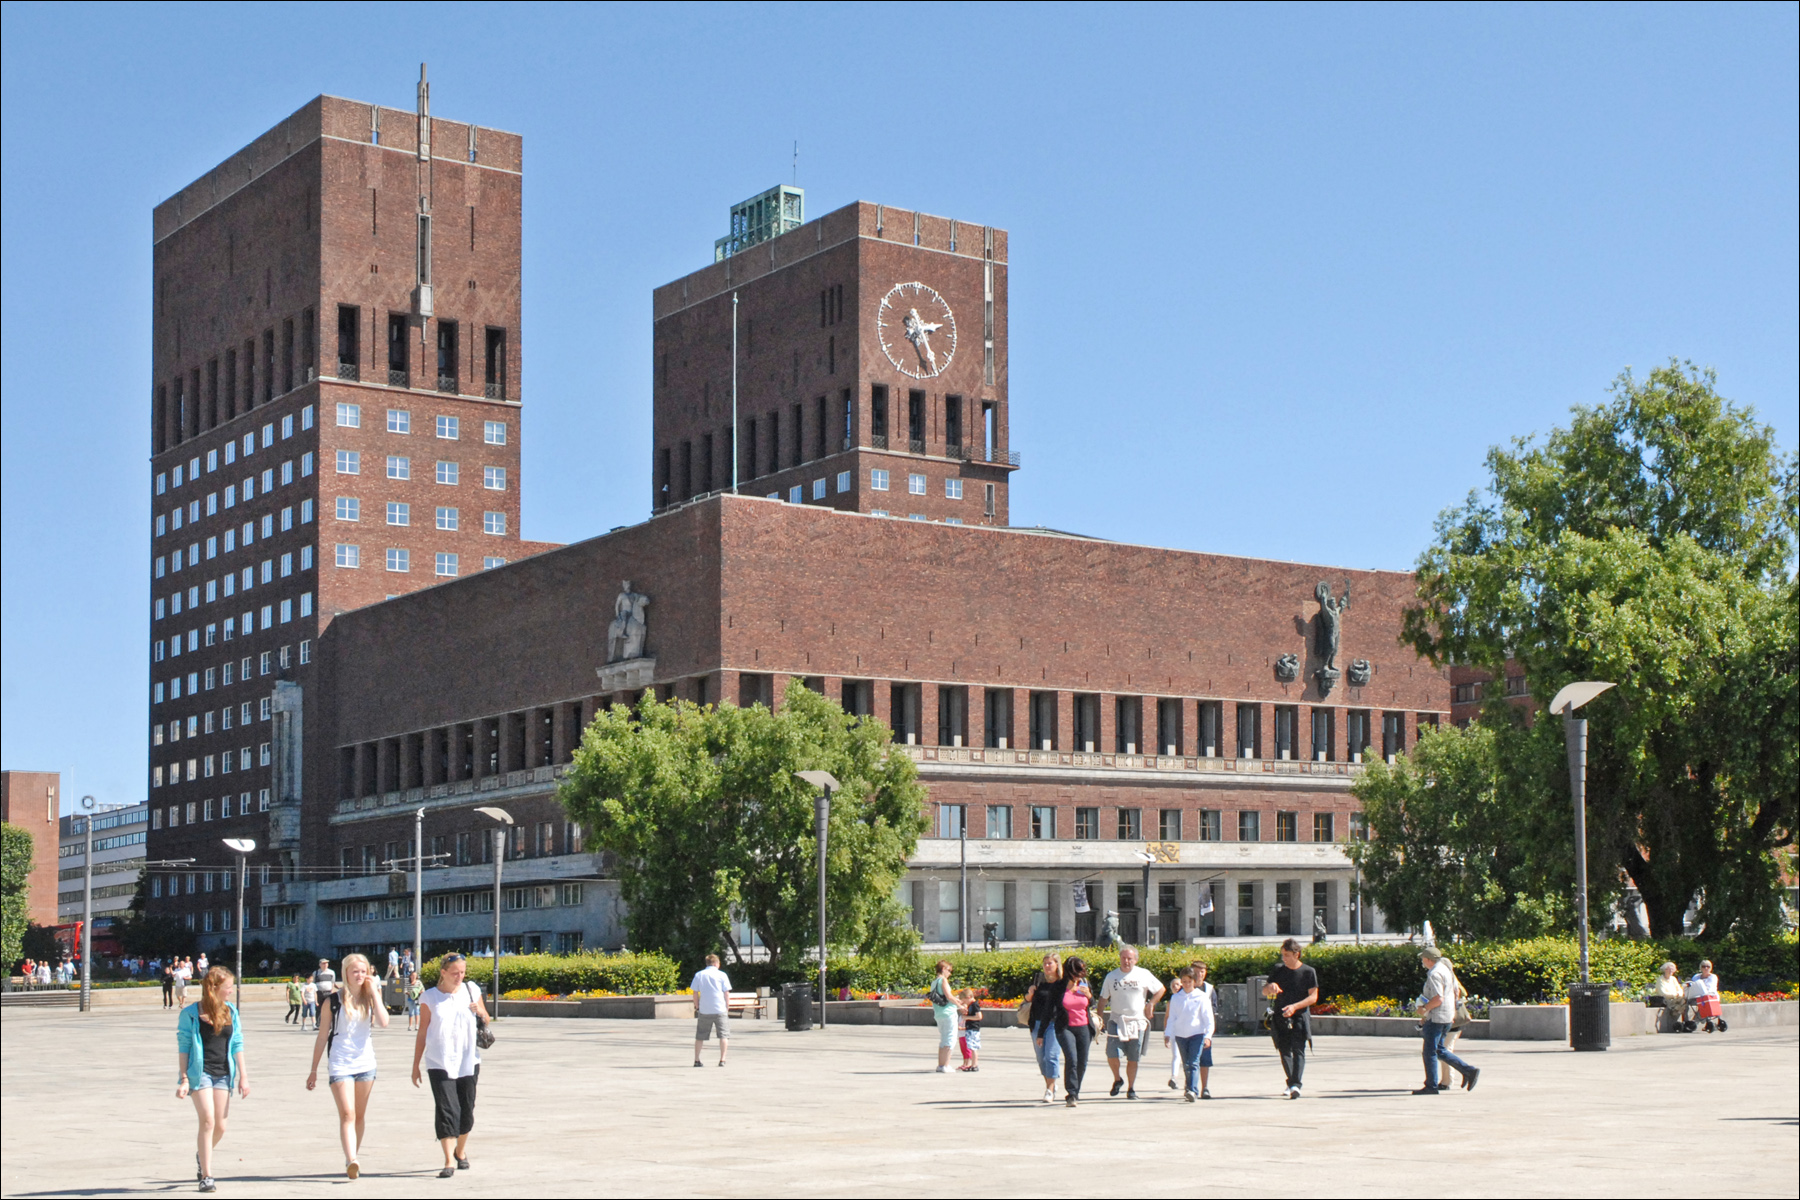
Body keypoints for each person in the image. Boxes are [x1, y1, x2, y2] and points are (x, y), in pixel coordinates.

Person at [308, 953, 390, 1179]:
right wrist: (313, 1070)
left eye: (364, 971)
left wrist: (374, 991)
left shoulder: (371, 997)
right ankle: (352, 1159)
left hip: (365, 1062)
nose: (360, 975)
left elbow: (384, 1022)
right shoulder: (332, 1001)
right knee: (347, 1113)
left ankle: (350, 1157)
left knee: (360, 1115)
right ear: (345, 973)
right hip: (340, 1062)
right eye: (355, 971)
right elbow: (322, 1037)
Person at [413, 952, 490, 1178]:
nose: (459, 977)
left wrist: (480, 1011)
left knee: (466, 1111)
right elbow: (423, 1031)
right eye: (455, 973)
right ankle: (448, 1161)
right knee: (447, 1110)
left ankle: (460, 1151)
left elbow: (485, 1018)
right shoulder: (430, 997)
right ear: (443, 973)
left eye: (463, 973)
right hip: (440, 1061)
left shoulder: (471, 990)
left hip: (468, 1060)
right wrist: (415, 1064)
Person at [176, 966, 249, 1194]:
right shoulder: (190, 1013)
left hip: (224, 1073)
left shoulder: (231, 1012)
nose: (231, 991)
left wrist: (243, 1077)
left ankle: (202, 1153)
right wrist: (184, 1078)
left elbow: (237, 1043)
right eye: (228, 987)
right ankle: (207, 1176)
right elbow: (184, 1046)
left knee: (221, 1126)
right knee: (207, 1120)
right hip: (201, 1073)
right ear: (215, 988)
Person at [1100, 945, 1165, 1099]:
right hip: (1117, 1020)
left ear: (1135, 960)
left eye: (1130, 958)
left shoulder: (1143, 974)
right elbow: (1103, 998)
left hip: (1137, 1022)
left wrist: (1151, 1003)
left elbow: (1161, 989)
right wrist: (1099, 1018)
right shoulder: (1111, 976)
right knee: (1112, 1053)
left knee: (1133, 1057)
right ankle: (1117, 1079)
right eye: (1123, 958)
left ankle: (1131, 1088)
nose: (1126, 961)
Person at [1416, 946, 1478, 1093]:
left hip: (1437, 1017)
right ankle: (1469, 1071)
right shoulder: (1445, 970)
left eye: (1423, 959)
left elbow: (1438, 998)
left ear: (1429, 960)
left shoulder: (1435, 973)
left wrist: (1425, 1009)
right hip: (1447, 1016)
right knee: (1439, 1050)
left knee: (1429, 1052)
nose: (1422, 962)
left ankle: (1431, 1086)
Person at [1262, 938, 1318, 1099]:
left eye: (1287, 955)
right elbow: (1265, 991)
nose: (1284, 959)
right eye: (1282, 955)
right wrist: (1270, 988)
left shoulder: (1308, 972)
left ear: (1297, 954)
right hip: (1280, 1015)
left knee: (1298, 1050)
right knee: (1284, 1049)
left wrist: (1295, 1007)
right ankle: (1292, 1083)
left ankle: (1296, 1084)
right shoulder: (1278, 970)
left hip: (1300, 1016)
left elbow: (1313, 997)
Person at [1164, 967, 1217, 1101]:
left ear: (1194, 982)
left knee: (1193, 1062)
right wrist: (1168, 1034)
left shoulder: (1201, 997)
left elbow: (1208, 1019)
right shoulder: (1176, 997)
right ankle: (1189, 1087)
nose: (1187, 984)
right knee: (1186, 1063)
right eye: (1184, 981)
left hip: (1197, 1034)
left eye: (1189, 981)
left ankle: (1193, 1090)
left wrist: (1208, 1036)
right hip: (1181, 1035)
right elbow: (1172, 1018)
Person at [1055, 957, 1101, 1107]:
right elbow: (1052, 1007)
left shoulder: (1085, 983)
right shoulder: (1060, 985)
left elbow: (1091, 1004)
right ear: (1069, 971)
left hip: (1084, 1027)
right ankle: (1071, 1094)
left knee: (1082, 1062)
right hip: (1065, 1027)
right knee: (1072, 1059)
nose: (1079, 975)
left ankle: (1076, 1090)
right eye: (1076, 972)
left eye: (1082, 971)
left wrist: (1089, 996)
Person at [1022, 954, 1066, 1102]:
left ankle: (1049, 1090)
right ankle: (1050, 1084)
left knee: (1051, 1056)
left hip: (1054, 1023)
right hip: (1037, 1022)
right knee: (1041, 1058)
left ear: (1057, 965)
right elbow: (1028, 1001)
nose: (1047, 966)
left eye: (1050, 964)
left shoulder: (1062, 983)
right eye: (1045, 964)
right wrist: (1030, 994)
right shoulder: (1038, 982)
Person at [691, 953, 732, 1067]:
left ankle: (697, 1059)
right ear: (715, 963)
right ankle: (722, 1059)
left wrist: (697, 1006)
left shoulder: (699, 975)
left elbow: (695, 992)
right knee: (724, 1035)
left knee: (700, 1035)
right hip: (719, 1009)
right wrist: (727, 1007)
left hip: (704, 1009)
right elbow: (726, 993)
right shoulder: (722, 975)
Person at [927, 960, 963, 1073]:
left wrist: (955, 999)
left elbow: (943, 996)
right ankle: (946, 1065)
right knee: (950, 1039)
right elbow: (948, 996)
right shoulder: (943, 980)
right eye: (949, 970)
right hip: (948, 1013)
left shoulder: (934, 982)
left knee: (944, 1039)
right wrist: (960, 1006)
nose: (950, 973)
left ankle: (941, 1065)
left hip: (939, 1013)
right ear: (943, 969)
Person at [956, 989, 983, 1071]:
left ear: (969, 997)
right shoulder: (971, 1005)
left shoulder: (974, 1005)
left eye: (964, 1000)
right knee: (971, 1047)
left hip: (973, 1029)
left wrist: (967, 1017)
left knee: (973, 1048)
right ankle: (973, 1064)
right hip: (970, 1028)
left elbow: (979, 1016)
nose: (964, 1003)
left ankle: (974, 1065)